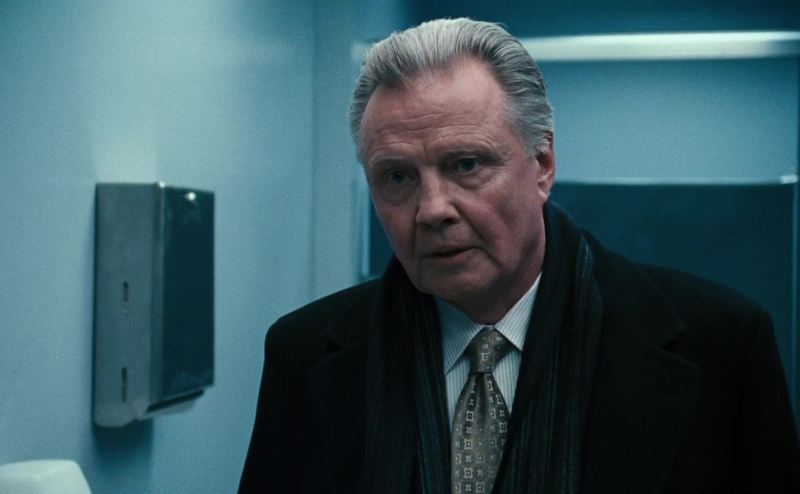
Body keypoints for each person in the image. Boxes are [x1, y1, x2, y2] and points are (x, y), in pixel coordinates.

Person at [239, 18, 800, 494]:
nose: (432, 209)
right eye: (398, 177)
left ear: (542, 165)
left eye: (466, 165)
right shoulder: (304, 354)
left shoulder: (720, 344)